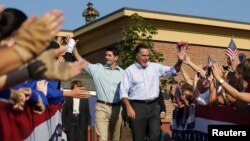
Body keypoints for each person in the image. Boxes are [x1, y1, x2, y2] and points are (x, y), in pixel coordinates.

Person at [120, 44, 186, 141]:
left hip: (154, 106)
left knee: (155, 135)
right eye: (143, 55)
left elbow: (173, 70)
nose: (146, 58)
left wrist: (180, 61)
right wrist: (128, 107)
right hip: (137, 107)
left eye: (148, 55)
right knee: (138, 137)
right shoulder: (129, 71)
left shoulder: (155, 67)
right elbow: (123, 91)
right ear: (137, 56)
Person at [73, 45, 124, 141]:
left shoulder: (123, 73)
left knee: (115, 138)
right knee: (102, 138)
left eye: (109, 55)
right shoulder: (98, 69)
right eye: (106, 55)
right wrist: (75, 50)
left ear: (116, 57)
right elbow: (82, 62)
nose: (106, 57)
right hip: (101, 108)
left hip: (117, 109)